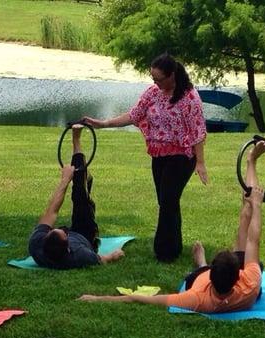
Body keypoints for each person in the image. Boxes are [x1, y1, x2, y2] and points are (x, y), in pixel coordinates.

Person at [79, 141, 265, 313]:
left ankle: (201, 263)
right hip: (229, 287)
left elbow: (143, 299)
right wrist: (257, 204)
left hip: (200, 278)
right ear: (239, 275)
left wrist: (97, 299)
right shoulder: (250, 284)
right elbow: (254, 239)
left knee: (247, 210)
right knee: (248, 209)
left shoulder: (197, 299)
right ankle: (251, 161)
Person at [83, 53, 207, 262]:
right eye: (153, 79)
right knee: (166, 201)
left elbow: (198, 132)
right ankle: (174, 246)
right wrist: (103, 123)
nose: (155, 83)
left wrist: (201, 163)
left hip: (182, 157)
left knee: (168, 200)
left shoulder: (190, 98)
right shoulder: (152, 93)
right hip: (159, 155)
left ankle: (164, 252)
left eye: (159, 79)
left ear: (172, 75)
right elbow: (133, 115)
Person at [28, 124, 124, 269]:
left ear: (45, 238)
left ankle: (77, 141)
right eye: (64, 233)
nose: (64, 229)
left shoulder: (36, 245)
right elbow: (104, 259)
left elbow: (52, 211)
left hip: (63, 242)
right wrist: (115, 255)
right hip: (84, 234)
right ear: (68, 247)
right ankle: (76, 139)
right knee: (80, 195)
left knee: (77, 190)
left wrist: (65, 180)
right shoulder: (81, 255)